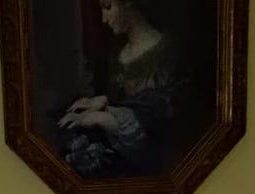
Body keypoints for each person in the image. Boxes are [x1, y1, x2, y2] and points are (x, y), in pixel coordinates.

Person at [58, 0, 192, 177]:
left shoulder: (167, 55)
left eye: (108, 7)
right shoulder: (120, 54)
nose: (104, 19)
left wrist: (100, 117)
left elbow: (159, 120)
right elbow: (130, 102)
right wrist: (104, 100)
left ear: (130, 4)